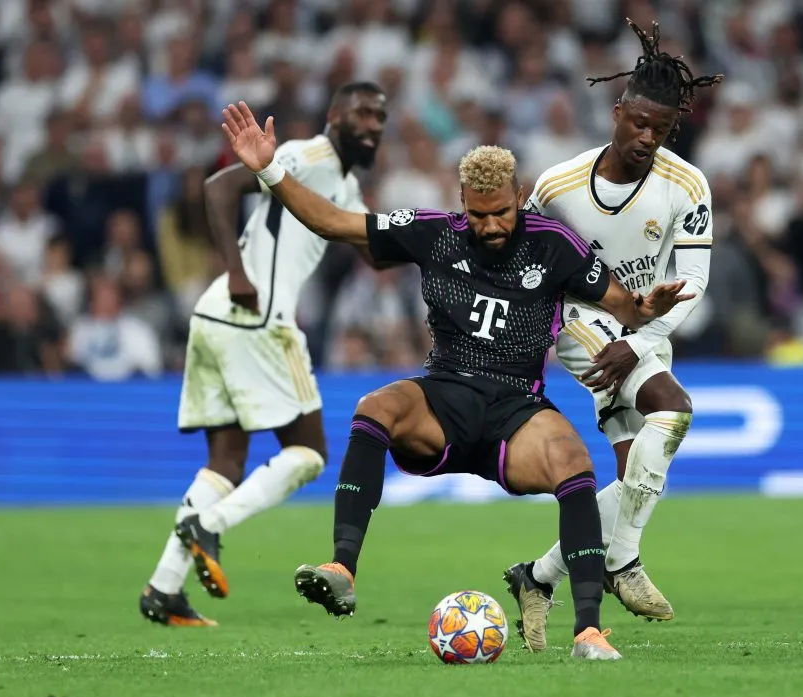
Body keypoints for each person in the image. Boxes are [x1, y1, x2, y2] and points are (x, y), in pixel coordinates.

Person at [220, 100, 694, 659]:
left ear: (519, 199)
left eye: (501, 213)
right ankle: (342, 567)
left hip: (517, 407)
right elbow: (334, 222)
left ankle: (588, 630)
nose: (490, 226)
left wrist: (646, 306)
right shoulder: (432, 233)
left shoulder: (554, 245)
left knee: (574, 464)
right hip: (444, 394)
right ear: (461, 203)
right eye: (478, 215)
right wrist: (268, 170)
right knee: (375, 407)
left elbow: (625, 308)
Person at [504, 19, 722, 651]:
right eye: (639, 123)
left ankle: (537, 575)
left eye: (662, 129)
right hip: (576, 321)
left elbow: (694, 281)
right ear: (618, 111)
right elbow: (522, 265)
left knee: (633, 479)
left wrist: (639, 335)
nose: (648, 138)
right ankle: (622, 562)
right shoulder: (558, 188)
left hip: (645, 326)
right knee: (673, 409)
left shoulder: (687, 186)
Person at [139, 82, 388, 627]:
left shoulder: (342, 182)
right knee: (310, 453)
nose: (372, 123)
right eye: (362, 112)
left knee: (225, 462)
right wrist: (235, 270)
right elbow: (220, 187)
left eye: (380, 116)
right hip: (256, 315)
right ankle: (211, 525)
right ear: (334, 116)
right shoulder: (309, 155)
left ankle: (163, 588)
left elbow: (375, 251)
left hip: (215, 319)